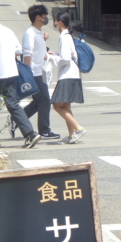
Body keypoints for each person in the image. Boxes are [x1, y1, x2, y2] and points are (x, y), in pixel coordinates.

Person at [0, 5, 41, 148]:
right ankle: (30, 133)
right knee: (13, 104)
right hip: (11, 73)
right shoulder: (7, 30)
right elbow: (18, 50)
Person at [8, 5, 59, 140]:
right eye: (44, 16)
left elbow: (37, 50)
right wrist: (27, 73)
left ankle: (15, 119)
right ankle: (44, 130)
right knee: (45, 101)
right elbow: (27, 54)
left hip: (40, 71)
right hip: (34, 73)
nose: (46, 18)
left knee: (38, 102)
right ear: (38, 17)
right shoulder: (30, 33)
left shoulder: (39, 33)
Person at [48, 12, 86, 144]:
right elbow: (67, 55)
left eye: (55, 20)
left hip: (67, 75)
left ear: (59, 22)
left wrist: (51, 57)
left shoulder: (64, 37)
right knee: (66, 106)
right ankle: (71, 135)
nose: (54, 23)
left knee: (57, 105)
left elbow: (65, 58)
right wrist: (55, 54)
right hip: (74, 74)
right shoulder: (68, 36)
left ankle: (78, 128)